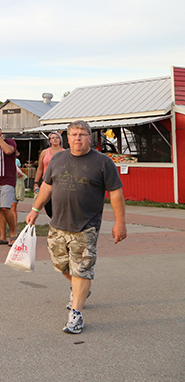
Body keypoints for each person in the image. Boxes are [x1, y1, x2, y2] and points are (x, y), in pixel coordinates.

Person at [26, 120, 127, 334]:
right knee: (62, 266)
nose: (78, 138)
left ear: (90, 137)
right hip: (58, 224)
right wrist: (35, 210)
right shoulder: (57, 159)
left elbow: (116, 193)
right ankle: (81, 288)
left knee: (82, 269)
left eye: (82, 134)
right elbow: (46, 186)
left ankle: (76, 314)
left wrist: (120, 223)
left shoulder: (102, 162)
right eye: (74, 134)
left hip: (86, 225)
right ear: (67, 138)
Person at [33, 131, 65, 218]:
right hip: (46, 182)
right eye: (53, 138)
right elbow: (40, 168)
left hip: (60, 182)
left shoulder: (65, 152)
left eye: (57, 137)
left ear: (60, 140)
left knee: (59, 204)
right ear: (49, 140)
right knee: (48, 205)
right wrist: (36, 182)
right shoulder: (44, 152)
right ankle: (53, 220)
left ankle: (58, 222)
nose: (55, 139)